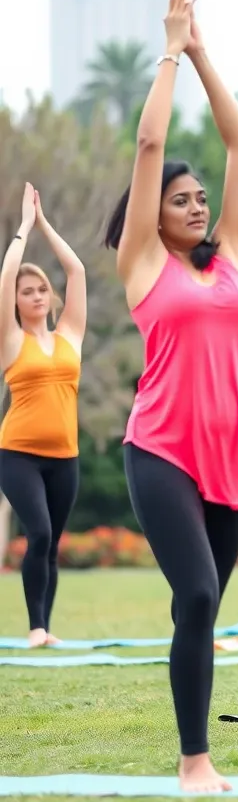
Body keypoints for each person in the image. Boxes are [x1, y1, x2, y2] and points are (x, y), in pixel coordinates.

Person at [103, 0, 238, 791]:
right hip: (162, 448)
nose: (197, 205)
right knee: (197, 594)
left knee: (199, 608)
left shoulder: (232, 256)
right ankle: (194, 760)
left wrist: (206, 56)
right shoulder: (141, 266)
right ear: (152, 214)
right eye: (180, 199)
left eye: (201, 200)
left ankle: (191, 734)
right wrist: (169, 50)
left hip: (233, 456)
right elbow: (149, 150)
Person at [0, 183, 86, 648]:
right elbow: (7, 273)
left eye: (41, 289)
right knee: (39, 531)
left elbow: (76, 269)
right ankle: (35, 627)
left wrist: (46, 223)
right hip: (17, 455)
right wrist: (24, 227)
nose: (35, 295)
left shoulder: (70, 333)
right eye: (26, 291)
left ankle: (45, 628)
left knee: (51, 544)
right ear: (14, 301)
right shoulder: (11, 340)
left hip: (65, 456)